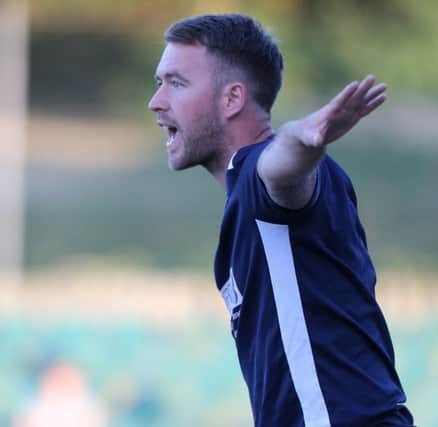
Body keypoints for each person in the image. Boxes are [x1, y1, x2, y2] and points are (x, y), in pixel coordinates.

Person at [148, 13, 414, 427]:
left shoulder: (262, 171)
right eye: (158, 82)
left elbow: (281, 170)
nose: (157, 101)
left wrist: (304, 140)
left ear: (232, 99)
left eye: (177, 83)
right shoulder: (242, 201)